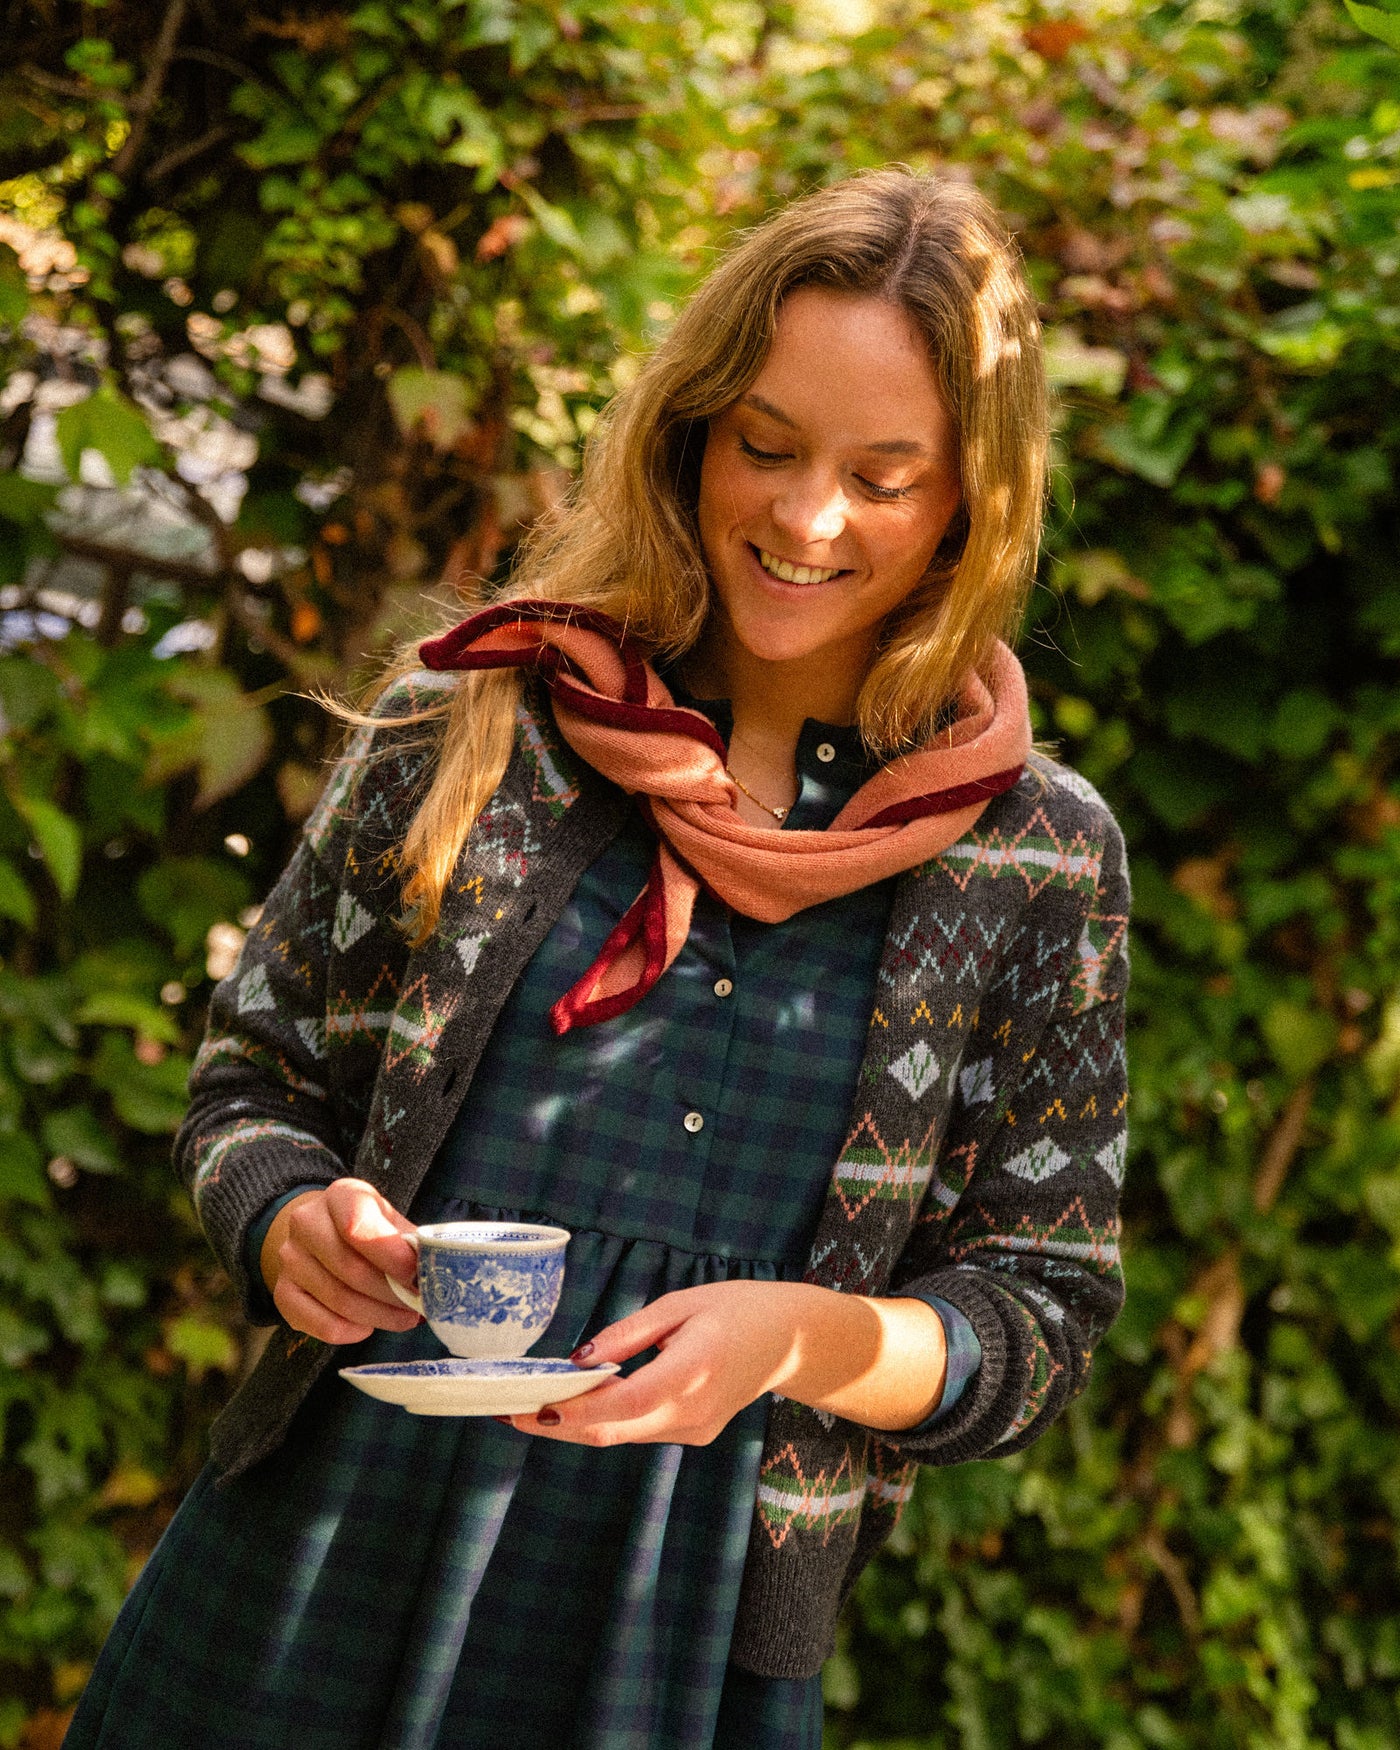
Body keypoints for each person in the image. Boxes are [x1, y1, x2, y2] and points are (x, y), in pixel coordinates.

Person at [67, 167, 1130, 1750]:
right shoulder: (477, 718)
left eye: (883, 476)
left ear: (971, 502)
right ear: (691, 428)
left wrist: (808, 1338)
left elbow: (1038, 1310)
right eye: (766, 445)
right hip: (311, 1571)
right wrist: (285, 1214)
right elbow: (252, 1084)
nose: (808, 517)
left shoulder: (1034, 855)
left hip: (679, 1644)